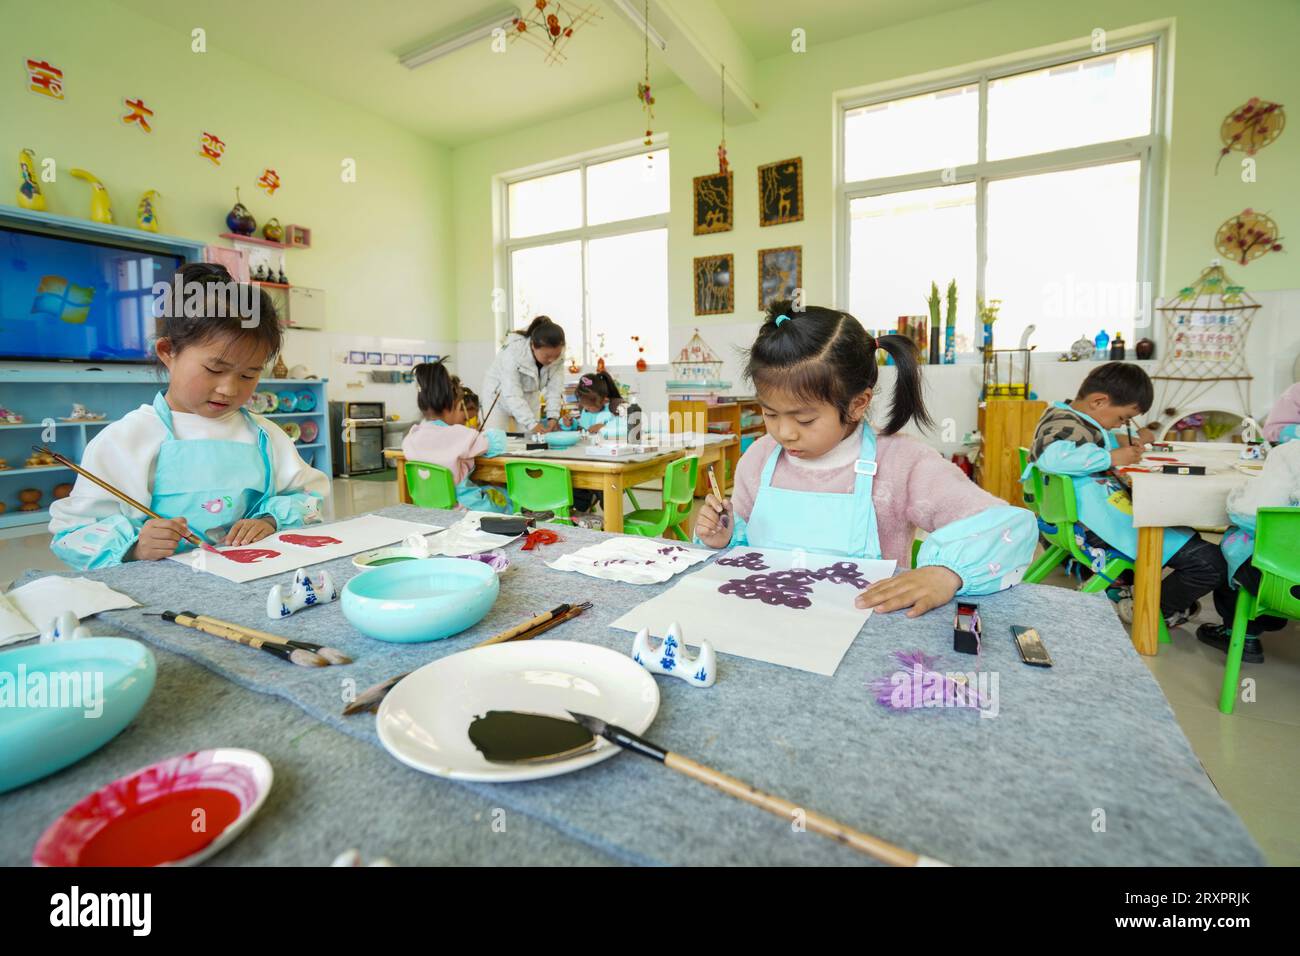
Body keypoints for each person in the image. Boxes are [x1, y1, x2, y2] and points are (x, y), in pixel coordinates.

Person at [694, 301, 1037, 618]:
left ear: (858, 404)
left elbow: (1006, 526)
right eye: (770, 414)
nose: (785, 433)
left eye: (804, 420)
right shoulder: (759, 457)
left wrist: (947, 572)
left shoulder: (901, 462)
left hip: (865, 630)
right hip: (765, 619)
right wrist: (723, 537)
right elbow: (744, 545)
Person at [48, 263, 329, 569]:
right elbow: (71, 534)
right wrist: (135, 545)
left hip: (251, 577)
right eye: (214, 370)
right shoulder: (126, 439)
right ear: (168, 352)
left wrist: (270, 518)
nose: (228, 388)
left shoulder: (265, 434)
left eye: (249, 375)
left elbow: (310, 496)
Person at [1027, 362, 1226, 628]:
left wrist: (1124, 439)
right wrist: (1111, 457)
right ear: (1099, 401)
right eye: (1122, 418)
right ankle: (1149, 608)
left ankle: (1135, 589)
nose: (1121, 425)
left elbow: (1096, 437)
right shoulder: (1066, 426)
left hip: (1073, 523)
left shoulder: (1069, 416)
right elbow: (1052, 457)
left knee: (1189, 536)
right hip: (1093, 530)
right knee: (1210, 562)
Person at [1197, 439, 1300, 663]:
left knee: (1236, 552)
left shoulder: (1291, 452)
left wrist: (1242, 491)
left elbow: (1247, 513)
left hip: (1284, 587)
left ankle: (1244, 634)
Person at [402, 361, 509, 512]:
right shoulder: (460, 435)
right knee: (507, 499)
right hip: (462, 509)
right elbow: (497, 443)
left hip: (428, 508)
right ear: (452, 403)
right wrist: (481, 433)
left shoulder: (411, 438)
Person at [481, 316, 566, 434]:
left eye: (556, 356)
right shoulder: (512, 353)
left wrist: (553, 417)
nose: (552, 360)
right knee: (494, 437)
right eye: (547, 356)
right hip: (498, 396)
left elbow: (555, 389)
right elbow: (512, 394)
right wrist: (531, 423)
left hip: (530, 394)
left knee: (533, 439)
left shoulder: (558, 357)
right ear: (533, 346)